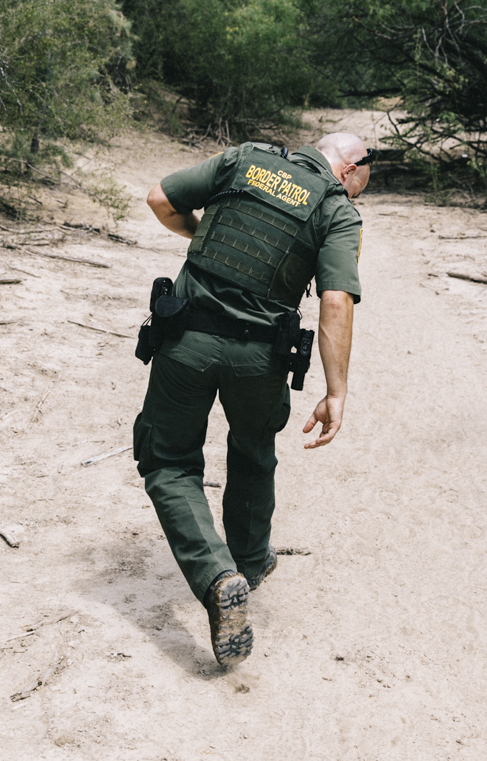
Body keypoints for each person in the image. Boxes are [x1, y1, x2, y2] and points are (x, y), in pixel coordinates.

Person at [134, 132, 371, 667]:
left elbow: (159, 199)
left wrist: (197, 240)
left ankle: (218, 578)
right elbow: (335, 299)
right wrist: (336, 392)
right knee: (252, 450)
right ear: (351, 170)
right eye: (360, 188)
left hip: (186, 341)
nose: (357, 196)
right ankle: (246, 562)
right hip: (260, 358)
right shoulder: (336, 210)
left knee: (169, 462)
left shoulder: (244, 160)